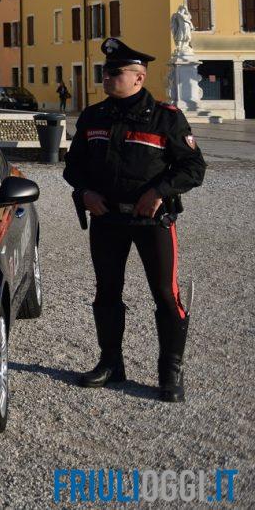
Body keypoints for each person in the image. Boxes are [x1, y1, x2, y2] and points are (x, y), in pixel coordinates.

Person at [63, 37, 206, 403]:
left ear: (139, 77)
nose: (107, 77)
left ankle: (170, 372)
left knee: (165, 294)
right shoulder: (94, 116)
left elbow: (193, 167)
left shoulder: (165, 118)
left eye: (115, 72)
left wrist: (159, 191)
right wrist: (85, 192)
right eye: (105, 71)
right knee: (106, 292)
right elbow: (74, 165)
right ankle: (111, 363)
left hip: (152, 221)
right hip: (107, 219)